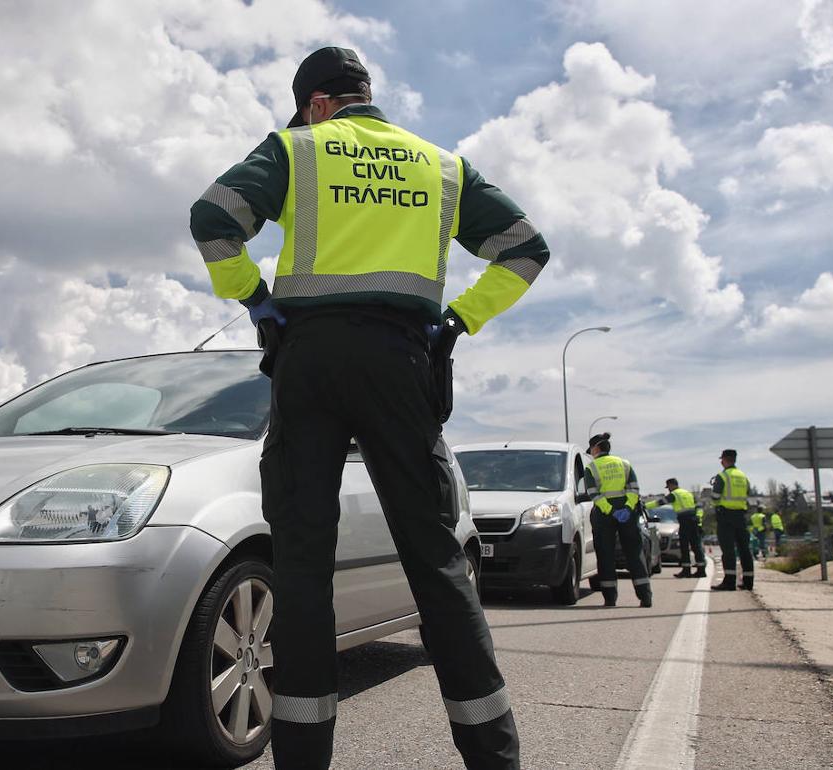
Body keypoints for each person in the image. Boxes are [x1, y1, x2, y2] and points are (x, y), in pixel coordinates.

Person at [190, 46, 548, 769]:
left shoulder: (297, 148)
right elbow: (524, 249)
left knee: (301, 566)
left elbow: (212, 218)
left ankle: (302, 758)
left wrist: (257, 302)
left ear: (317, 105)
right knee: (438, 563)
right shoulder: (442, 166)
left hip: (310, 364)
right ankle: (495, 758)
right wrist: (459, 319)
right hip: (401, 363)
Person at [582, 433, 652, 608]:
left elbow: (593, 494)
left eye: (591, 449)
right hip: (628, 513)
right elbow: (634, 489)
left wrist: (611, 510)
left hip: (605, 515)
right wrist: (627, 508)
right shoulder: (625, 464)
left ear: (596, 448)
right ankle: (645, 597)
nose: (591, 452)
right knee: (635, 553)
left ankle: (610, 598)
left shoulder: (592, 468)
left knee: (605, 555)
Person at [711, 448, 754, 590]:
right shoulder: (743, 476)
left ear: (723, 460)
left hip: (726, 516)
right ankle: (748, 582)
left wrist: (716, 502)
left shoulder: (722, 476)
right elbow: (748, 492)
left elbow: (715, 497)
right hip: (741, 516)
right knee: (744, 549)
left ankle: (729, 582)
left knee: (728, 550)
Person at [648, 478, 706, 578]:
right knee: (696, 546)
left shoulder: (674, 494)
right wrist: (699, 522)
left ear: (671, 485)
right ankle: (701, 570)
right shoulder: (688, 493)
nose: (668, 490)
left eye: (668, 487)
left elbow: (660, 503)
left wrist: (644, 505)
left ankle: (686, 571)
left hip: (684, 520)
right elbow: (699, 507)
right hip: (694, 520)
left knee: (684, 546)